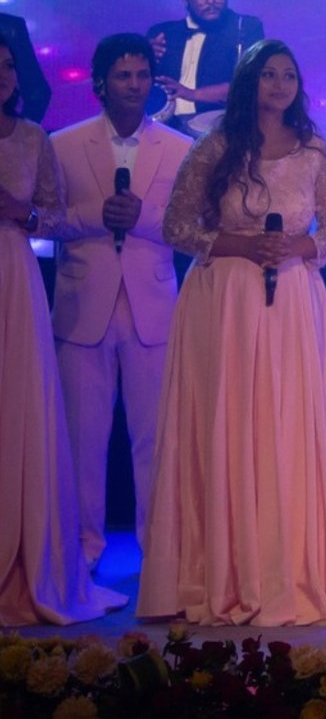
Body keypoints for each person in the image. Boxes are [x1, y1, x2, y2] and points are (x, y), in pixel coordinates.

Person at [138, 40, 326, 626]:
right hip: (225, 299)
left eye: (289, 75)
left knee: (288, 421)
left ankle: (292, 566)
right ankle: (224, 569)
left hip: (293, 298)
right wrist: (240, 244)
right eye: (269, 74)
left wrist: (296, 247)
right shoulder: (214, 147)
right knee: (229, 421)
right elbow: (176, 225)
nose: (280, 84)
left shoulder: (313, 150)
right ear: (248, 82)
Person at [51, 34, 190, 573]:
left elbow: (190, 226)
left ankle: (159, 552)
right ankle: (82, 550)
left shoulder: (179, 147)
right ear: (101, 83)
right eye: (123, 75)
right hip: (82, 305)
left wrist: (143, 219)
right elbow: (45, 219)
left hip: (152, 307)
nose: (134, 85)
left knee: (154, 439)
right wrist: (96, 217)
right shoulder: (63, 144)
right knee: (82, 441)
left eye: (142, 75)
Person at [0, 36, 125, 624]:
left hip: (14, 273)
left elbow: (50, 214)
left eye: (7, 66)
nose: (2, 75)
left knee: (21, 402)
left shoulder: (32, 138)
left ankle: (30, 555)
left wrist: (18, 213)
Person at [146, 0, 265, 130]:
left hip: (220, 129)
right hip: (166, 131)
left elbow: (251, 85)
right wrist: (144, 57)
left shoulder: (245, 27)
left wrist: (192, 94)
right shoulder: (163, 33)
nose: (211, 1)